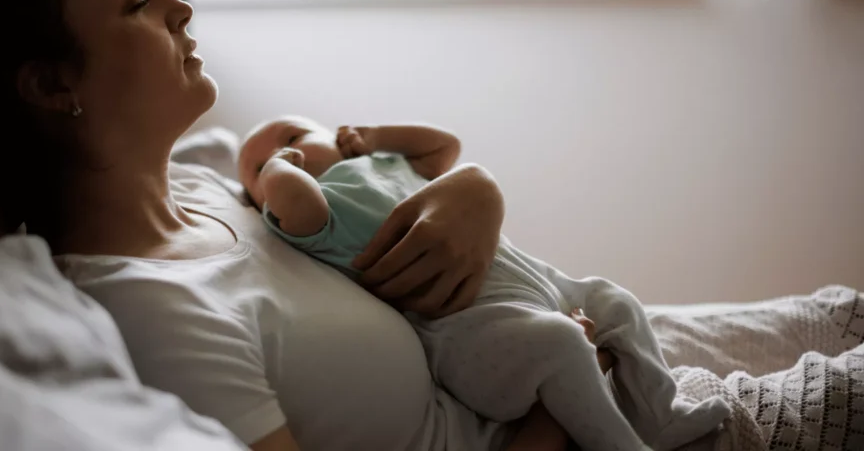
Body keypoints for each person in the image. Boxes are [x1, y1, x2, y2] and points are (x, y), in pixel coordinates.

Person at [0, 0, 605, 451]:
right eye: (134, 1)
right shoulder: (154, 311)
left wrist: (475, 190)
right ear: (50, 86)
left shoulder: (209, 181)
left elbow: (372, 182)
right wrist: (566, 408)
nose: (179, 9)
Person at [238, 117, 733, 451]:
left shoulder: (384, 163)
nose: (281, 155)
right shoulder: (314, 215)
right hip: (470, 332)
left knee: (614, 300)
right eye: (259, 168)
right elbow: (292, 200)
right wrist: (282, 169)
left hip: (539, 283)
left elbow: (443, 146)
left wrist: (376, 136)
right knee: (560, 342)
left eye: (295, 135)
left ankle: (660, 412)